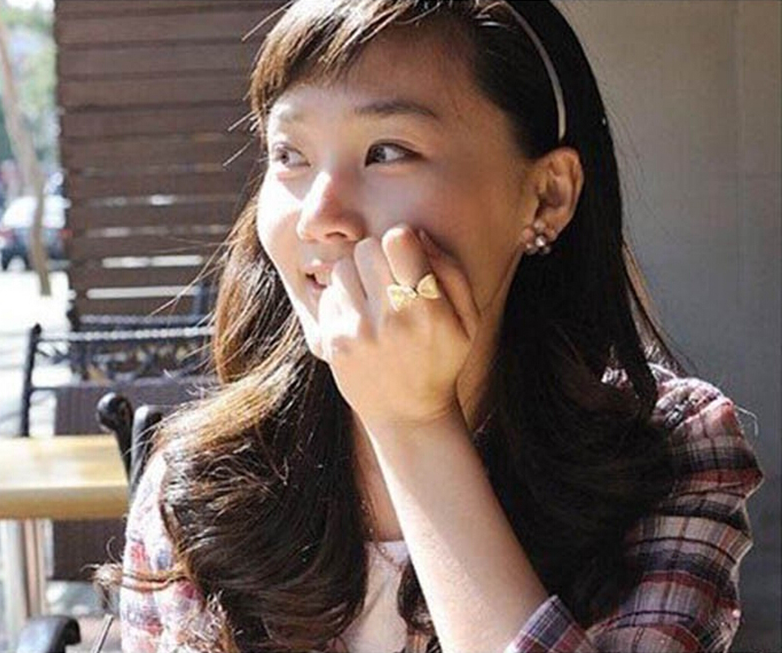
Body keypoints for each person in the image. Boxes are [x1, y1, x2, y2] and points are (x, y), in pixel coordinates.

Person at [111, 1, 763, 651]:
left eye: (387, 151)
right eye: (290, 154)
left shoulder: (673, 449)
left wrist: (414, 424)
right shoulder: (197, 487)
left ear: (547, 195)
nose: (319, 216)